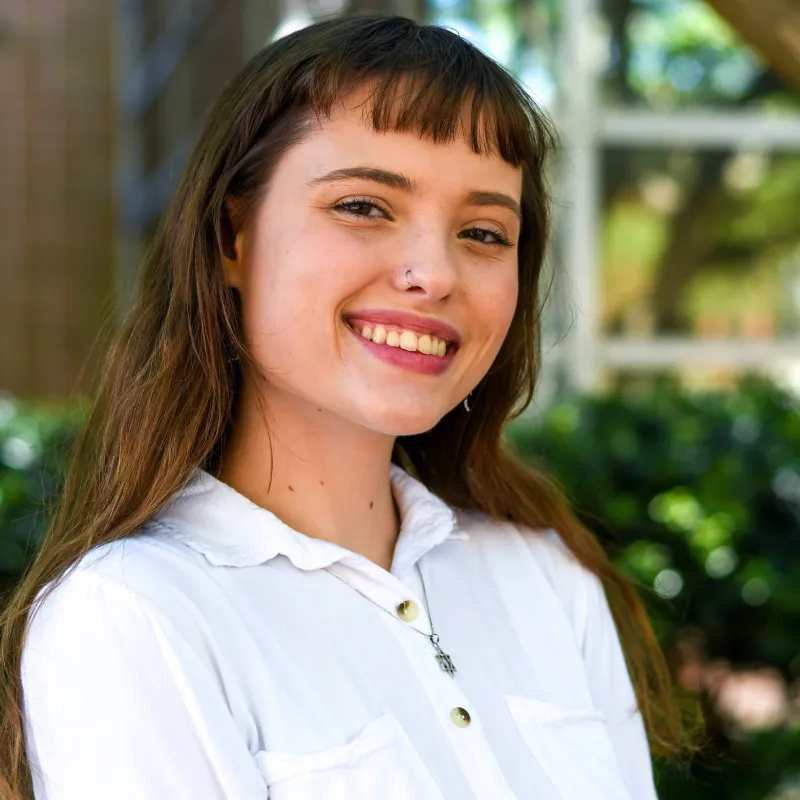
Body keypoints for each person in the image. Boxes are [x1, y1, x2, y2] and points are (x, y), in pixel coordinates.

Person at [0, 14, 704, 800]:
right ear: (233, 235)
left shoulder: (546, 580)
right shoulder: (133, 616)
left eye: (483, 231)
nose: (434, 273)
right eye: (364, 207)